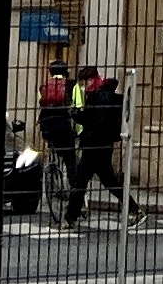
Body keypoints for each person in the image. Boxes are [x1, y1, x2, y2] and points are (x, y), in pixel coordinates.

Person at [73, 64, 130, 221]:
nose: (85, 87)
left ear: (92, 80)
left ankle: (70, 217)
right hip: (101, 145)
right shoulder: (101, 94)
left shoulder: (101, 96)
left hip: (95, 145)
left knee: (80, 181)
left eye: (85, 83)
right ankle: (134, 209)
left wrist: (80, 117)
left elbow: (97, 122)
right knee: (108, 181)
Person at [36, 58, 79, 225]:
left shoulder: (43, 86)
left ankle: (52, 169)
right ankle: (76, 193)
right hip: (63, 126)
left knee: (53, 147)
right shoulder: (72, 85)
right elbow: (78, 106)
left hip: (47, 127)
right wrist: (78, 131)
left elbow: (41, 104)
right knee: (70, 160)